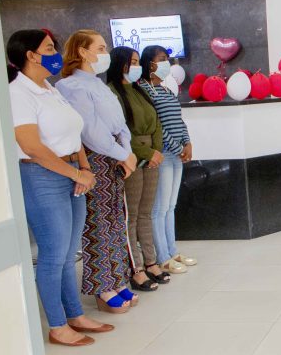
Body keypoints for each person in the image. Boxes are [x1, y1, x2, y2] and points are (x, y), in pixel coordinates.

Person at [8, 29, 113, 346]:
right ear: (30, 55)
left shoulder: (50, 90)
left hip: (70, 173)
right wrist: (73, 172)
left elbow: (74, 132)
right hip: (41, 176)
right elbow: (31, 146)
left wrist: (83, 167)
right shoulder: (18, 94)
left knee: (69, 254)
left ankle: (75, 315)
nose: (55, 54)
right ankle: (57, 326)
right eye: (50, 48)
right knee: (53, 255)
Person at [56, 29, 138, 313]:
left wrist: (126, 152)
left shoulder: (98, 85)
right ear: (82, 51)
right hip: (95, 159)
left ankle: (118, 277)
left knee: (116, 220)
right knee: (97, 225)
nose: (105, 54)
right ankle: (103, 286)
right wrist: (122, 154)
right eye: (100, 48)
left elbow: (120, 125)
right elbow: (90, 132)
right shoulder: (71, 86)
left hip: (115, 157)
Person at [107, 47, 169, 291]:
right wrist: (145, 153)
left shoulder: (140, 90)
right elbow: (122, 132)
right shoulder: (113, 93)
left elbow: (156, 124)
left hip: (151, 157)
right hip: (131, 158)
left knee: (146, 212)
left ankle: (152, 262)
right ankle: (137, 268)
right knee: (130, 216)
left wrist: (156, 151)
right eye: (132, 62)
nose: (136, 66)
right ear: (120, 64)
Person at [137, 45, 198, 275]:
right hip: (162, 155)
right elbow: (158, 127)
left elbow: (178, 120)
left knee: (170, 206)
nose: (166, 63)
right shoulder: (144, 91)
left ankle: (172, 251)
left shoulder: (165, 90)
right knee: (158, 208)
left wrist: (188, 143)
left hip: (176, 155)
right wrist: (177, 147)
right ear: (149, 63)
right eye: (162, 59)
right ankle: (161, 257)